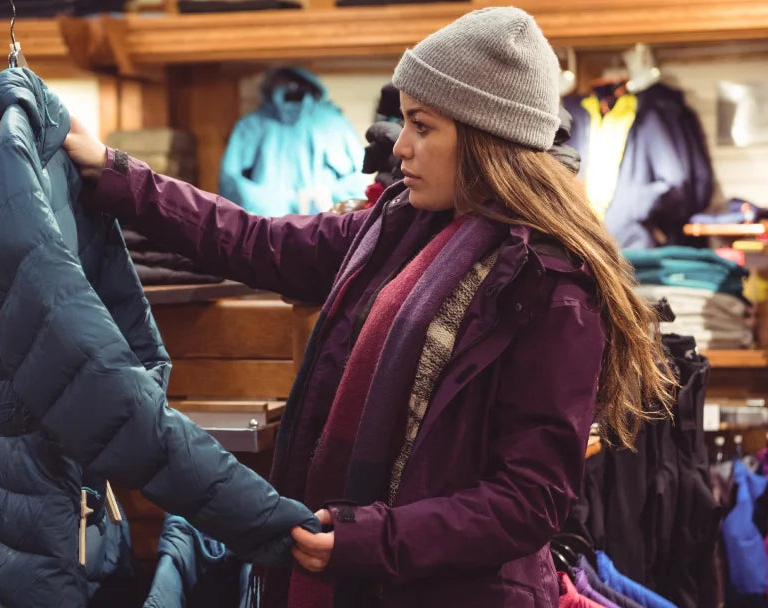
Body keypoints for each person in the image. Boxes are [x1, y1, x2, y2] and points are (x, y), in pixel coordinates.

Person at [63, 6, 674, 606]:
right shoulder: (397, 228)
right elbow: (255, 241)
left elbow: (528, 501)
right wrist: (116, 174)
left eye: (422, 126)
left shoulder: (551, 287)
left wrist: (374, 538)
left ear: (486, 138)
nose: (400, 146)